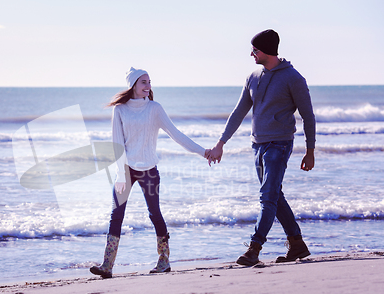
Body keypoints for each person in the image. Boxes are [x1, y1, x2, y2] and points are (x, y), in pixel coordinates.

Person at [206, 29, 316, 266]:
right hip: (258, 145)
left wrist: (310, 150)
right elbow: (238, 112)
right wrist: (221, 143)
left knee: (267, 197)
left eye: (254, 50)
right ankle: (297, 245)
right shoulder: (253, 77)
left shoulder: (294, 78)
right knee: (275, 196)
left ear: (266, 50)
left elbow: (308, 116)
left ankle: (254, 249)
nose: (251, 54)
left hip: (280, 144)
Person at [90, 67, 210, 278]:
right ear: (133, 85)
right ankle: (107, 266)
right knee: (116, 215)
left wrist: (203, 152)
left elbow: (177, 135)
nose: (148, 85)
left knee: (155, 214)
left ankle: (164, 261)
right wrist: (120, 174)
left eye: (149, 82)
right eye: (143, 82)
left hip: (149, 171)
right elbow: (116, 143)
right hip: (126, 170)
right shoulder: (119, 109)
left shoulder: (155, 109)